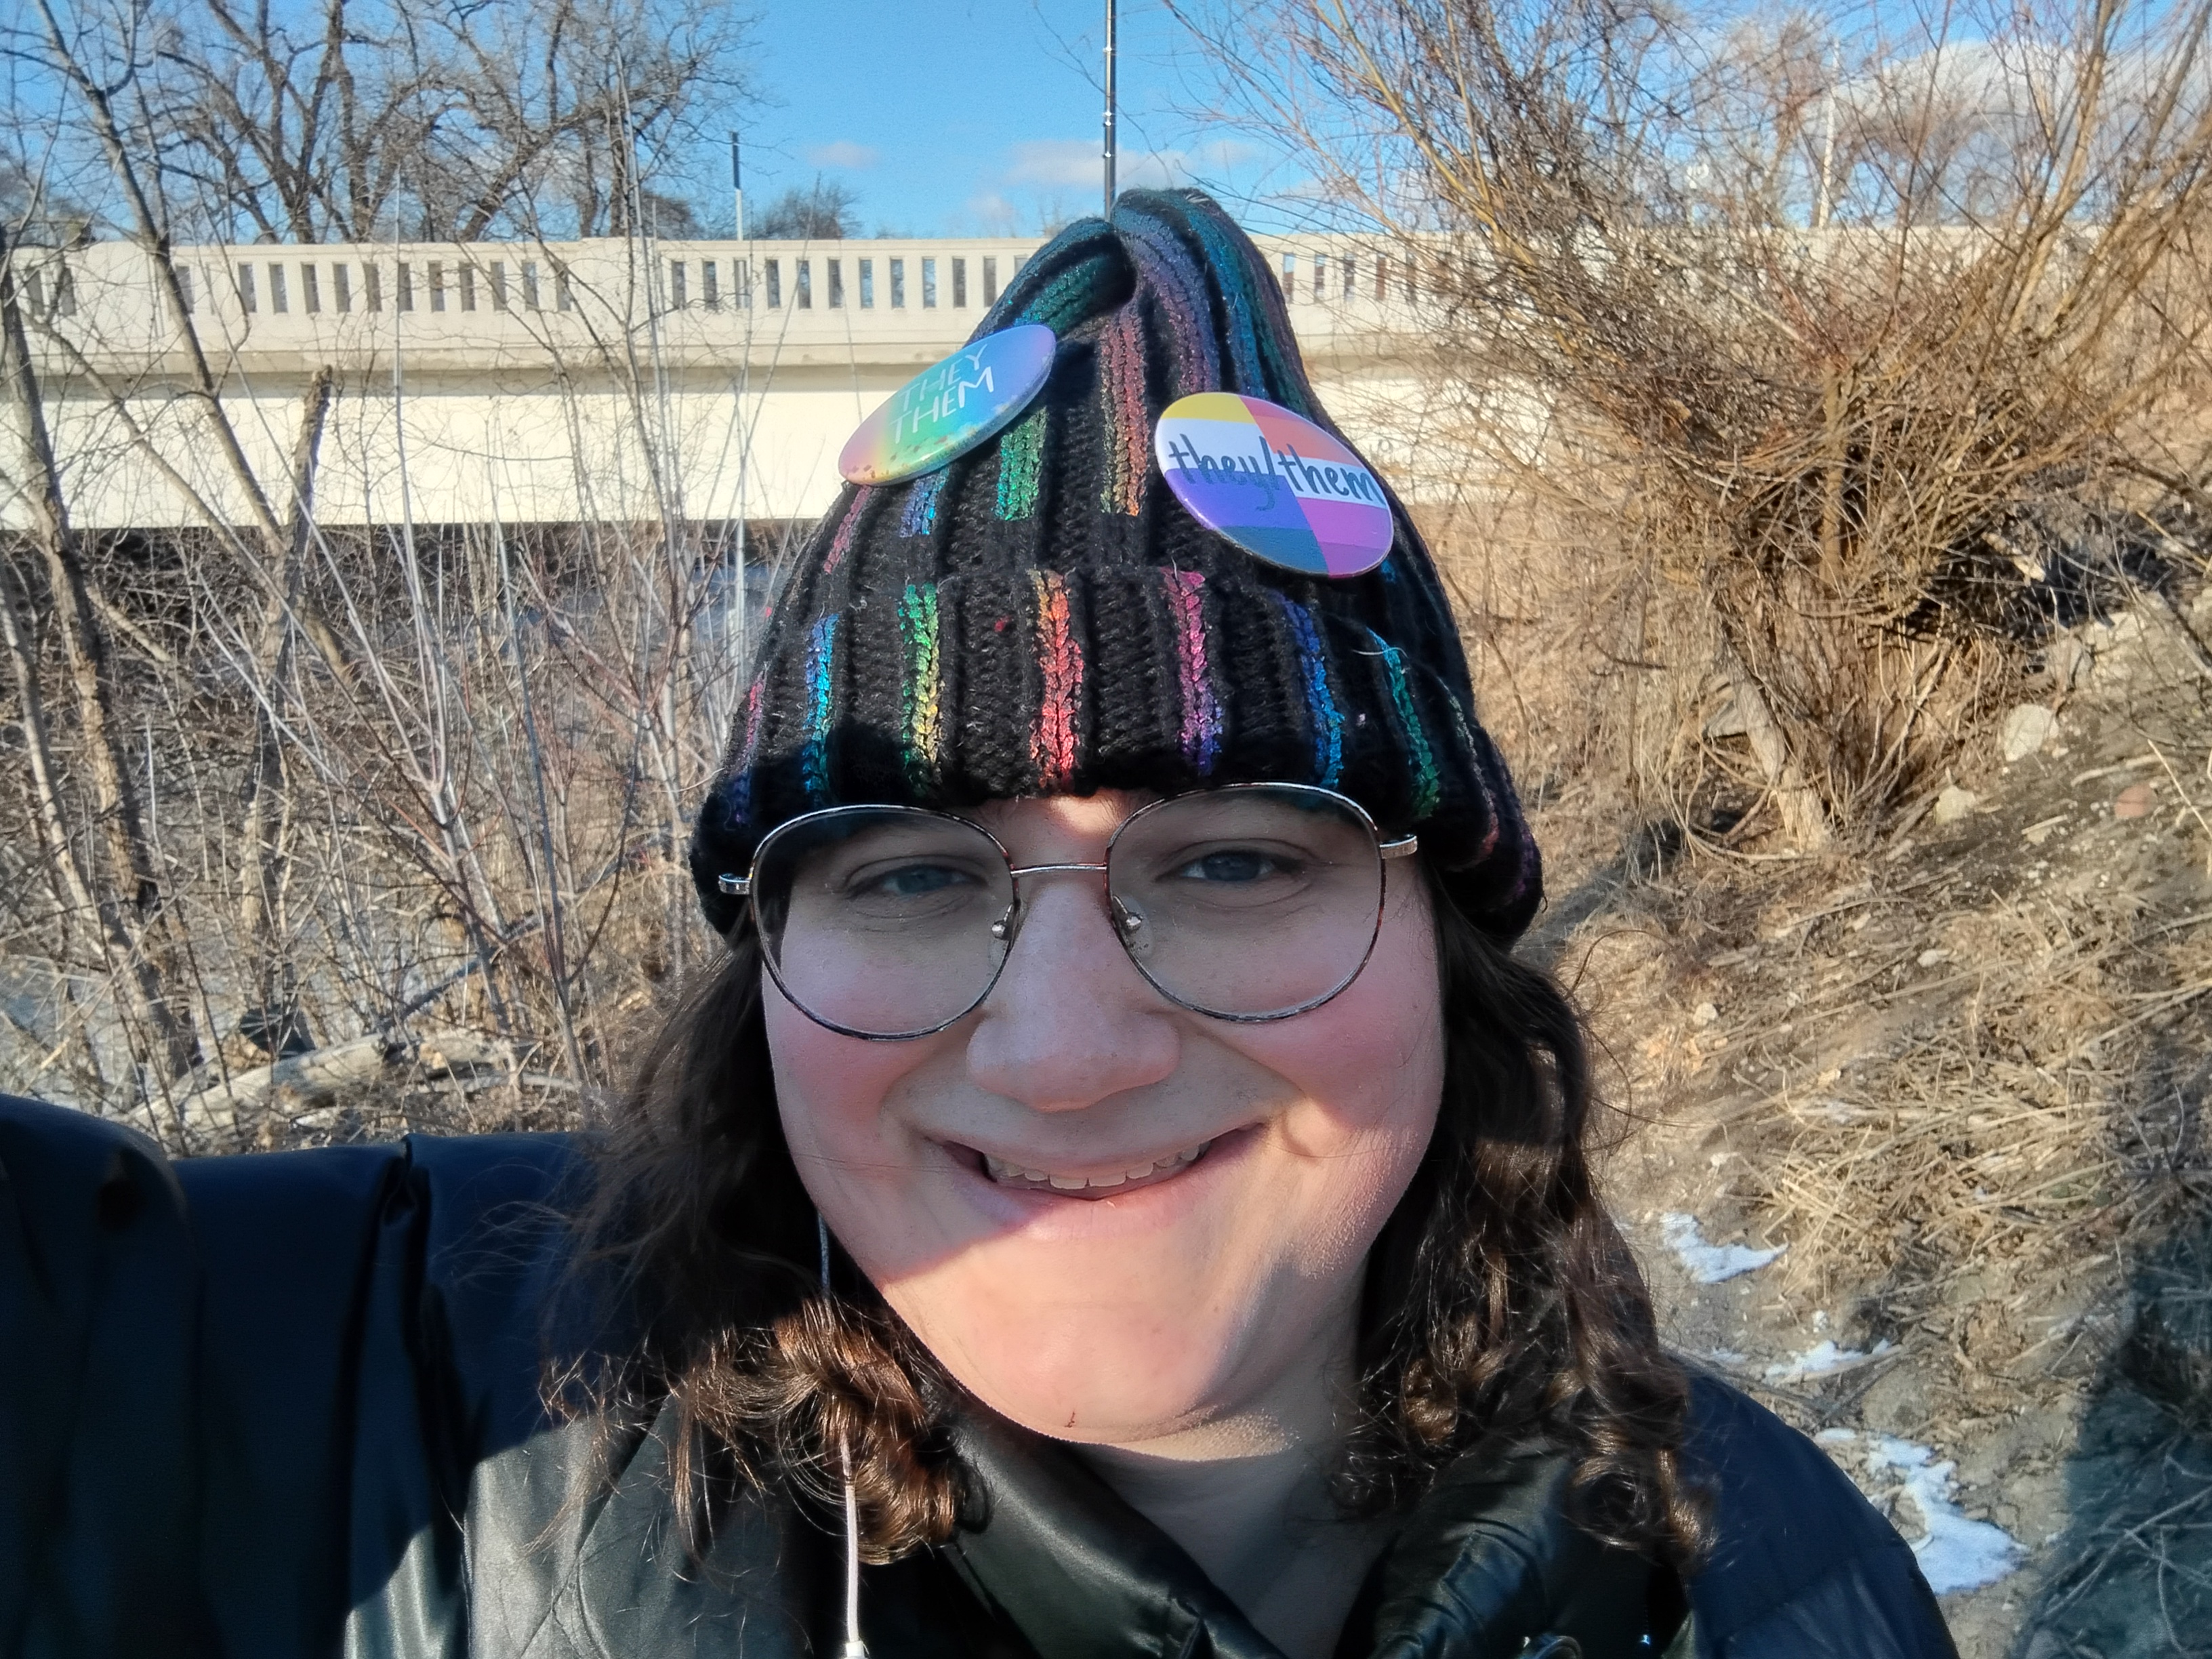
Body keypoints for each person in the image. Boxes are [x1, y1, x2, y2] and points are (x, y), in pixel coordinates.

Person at [0, 190, 1956, 1659]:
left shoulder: (1783, 1588)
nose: (1064, 1048)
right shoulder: (382, 1416)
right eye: (912, 873)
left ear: (1446, 948)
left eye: (1236, 858)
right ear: (761, 968)